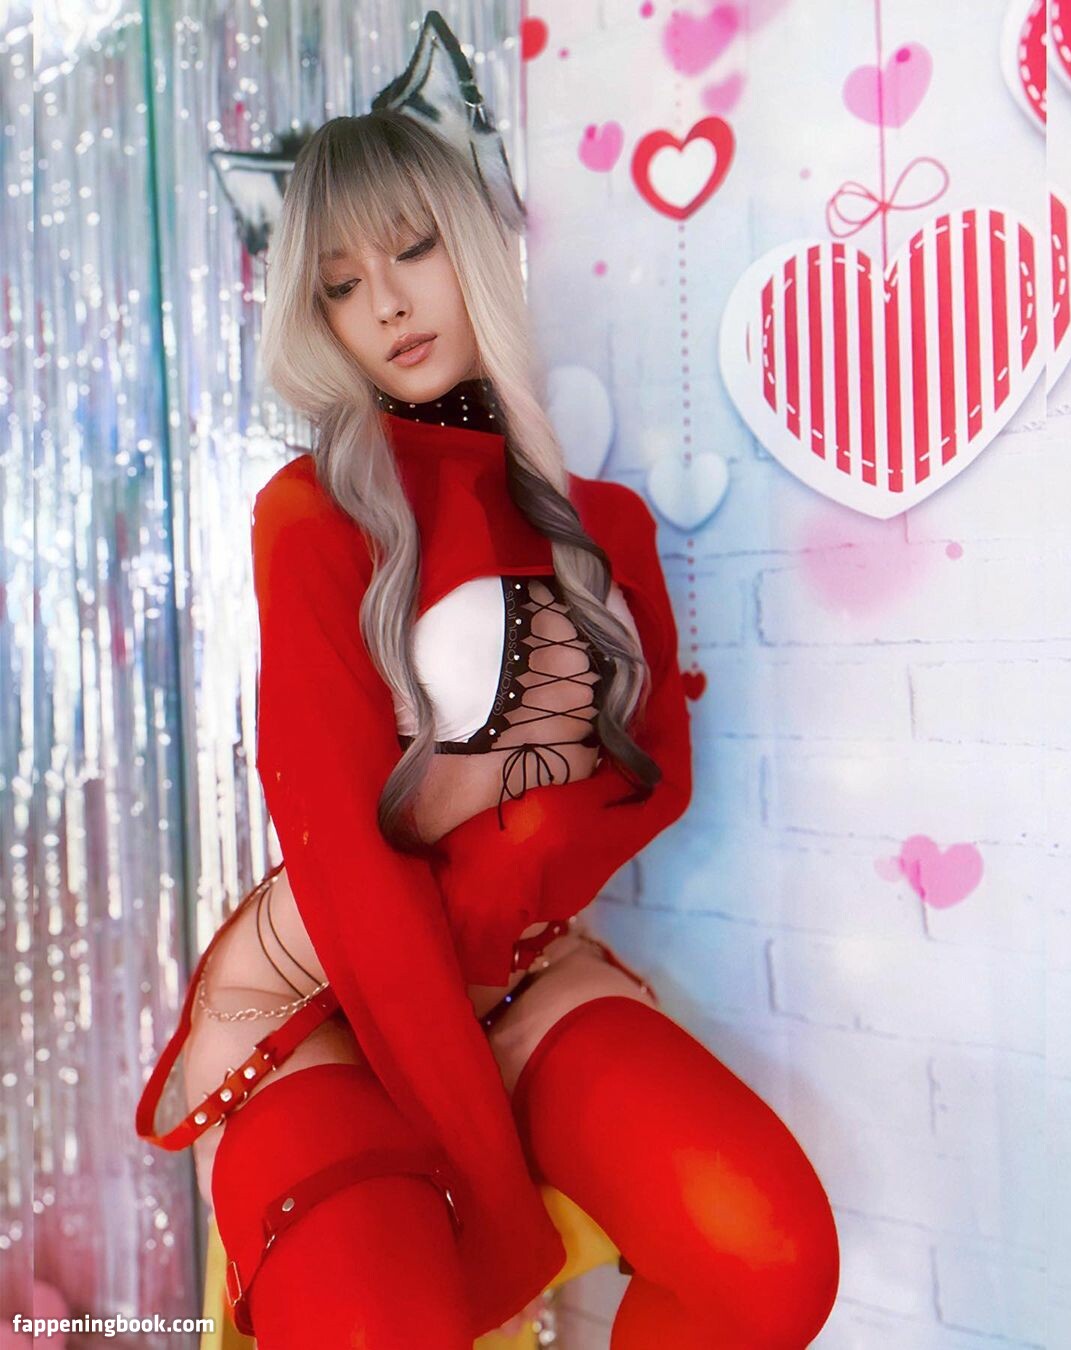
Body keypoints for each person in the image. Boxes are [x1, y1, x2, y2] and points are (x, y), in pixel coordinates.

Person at [136, 20, 840, 1349]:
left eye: (413, 249)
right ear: (316, 316)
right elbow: (351, 855)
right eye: (342, 284)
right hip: (330, 995)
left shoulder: (603, 525)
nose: (388, 305)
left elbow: (654, 779)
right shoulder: (311, 518)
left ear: (473, 245)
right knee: (379, 1323)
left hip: (512, 969)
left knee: (771, 1258)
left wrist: (497, 814)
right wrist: (494, 1190)